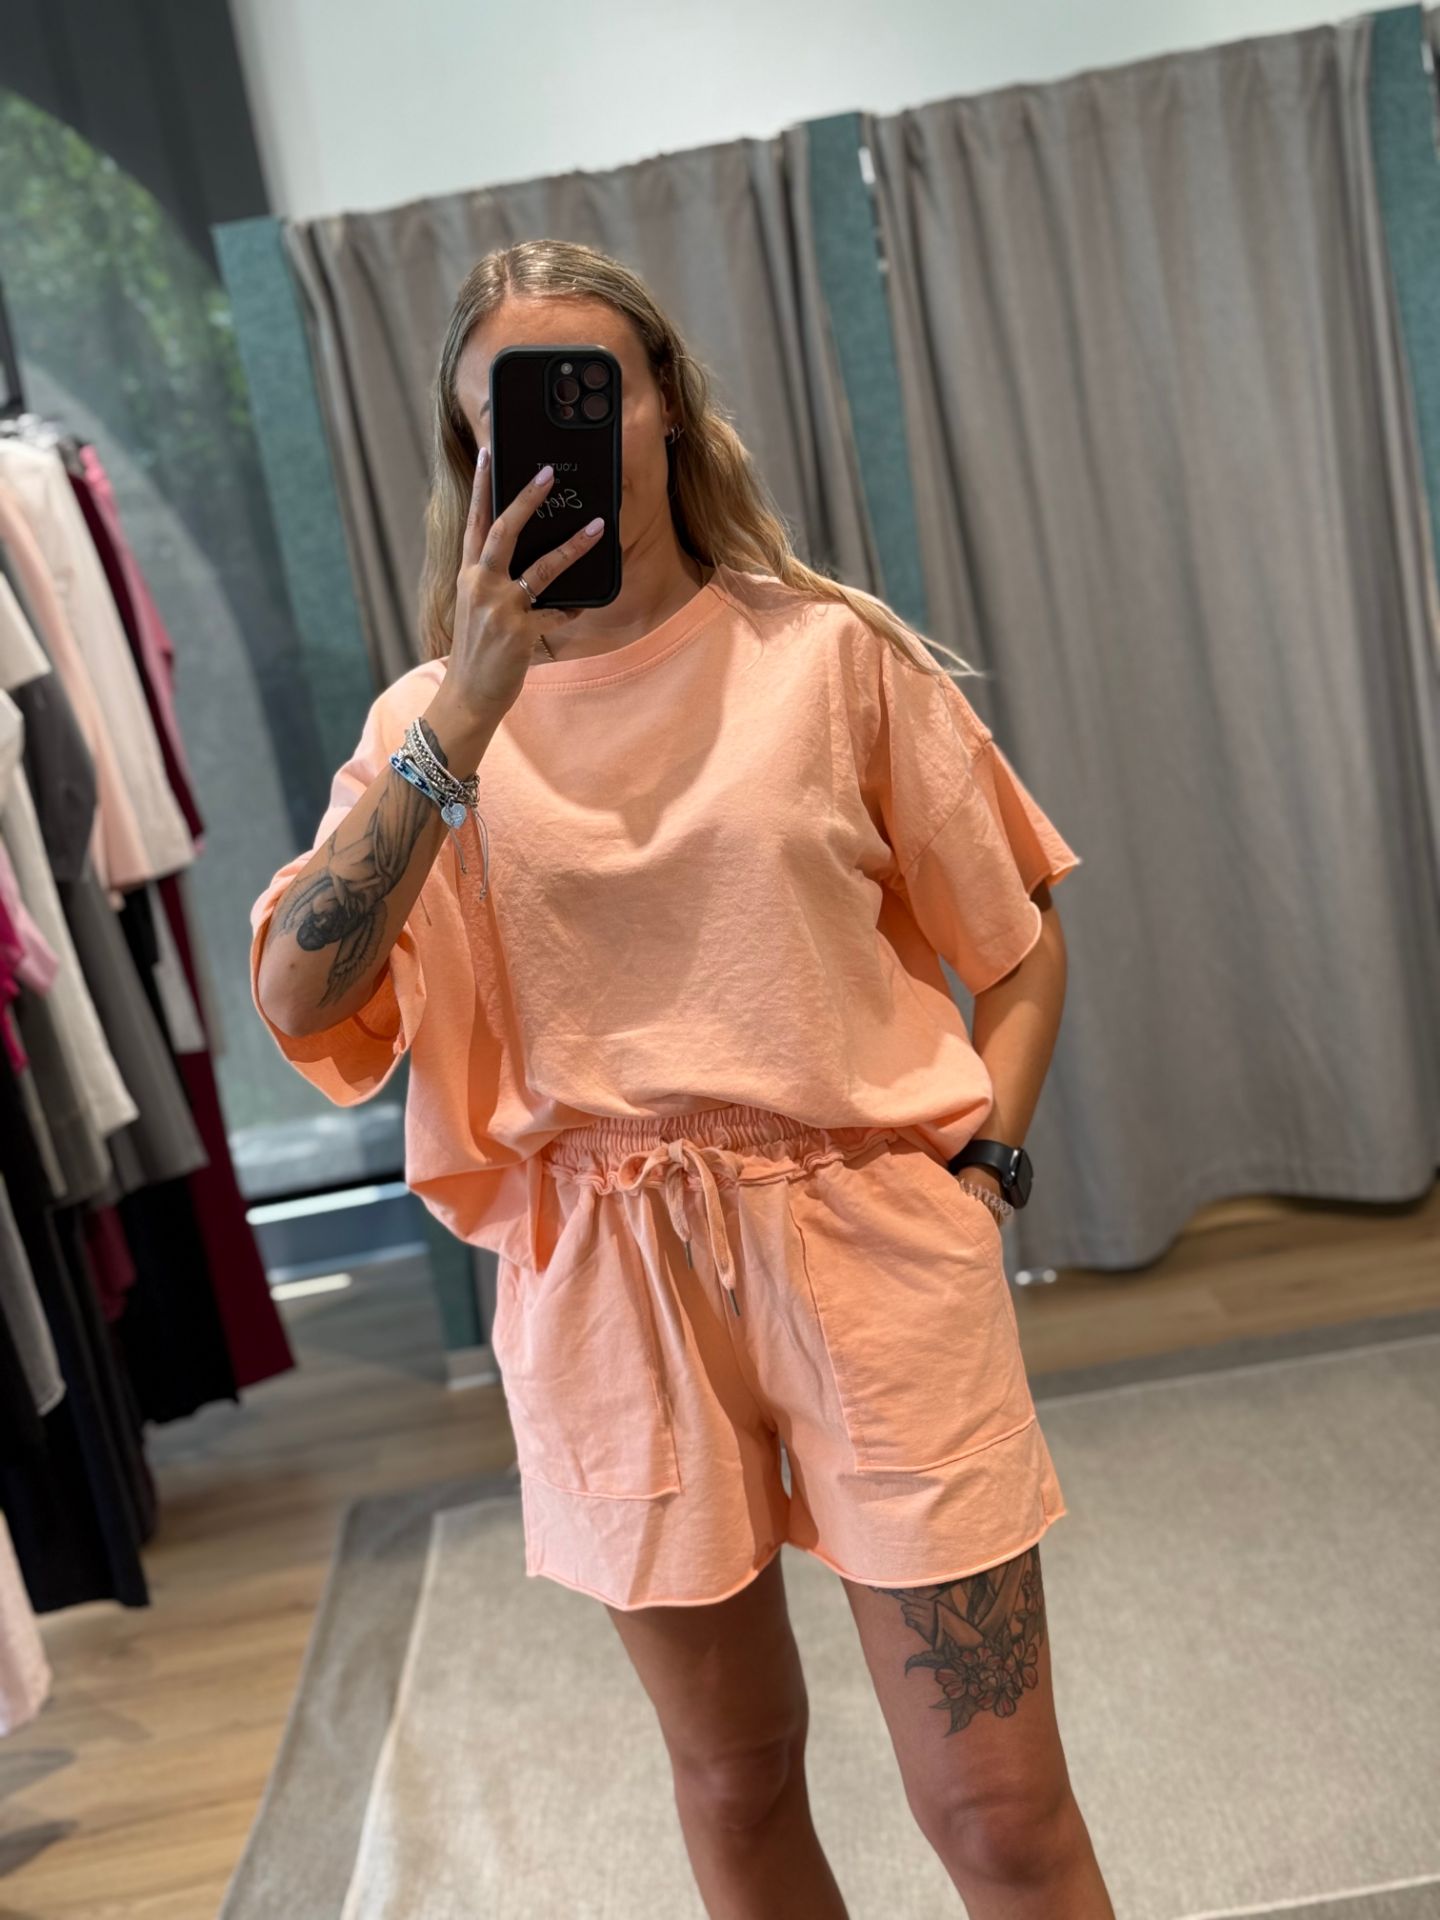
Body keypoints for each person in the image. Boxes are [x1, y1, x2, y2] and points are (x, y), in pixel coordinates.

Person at [250, 238, 1111, 1918]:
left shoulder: (828, 657)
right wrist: (465, 716)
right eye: (505, 410)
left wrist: (987, 1167)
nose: (552, 434)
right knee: (734, 1778)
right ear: (469, 451)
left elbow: (1017, 942)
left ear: (663, 406)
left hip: (871, 1247)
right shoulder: (428, 724)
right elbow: (300, 993)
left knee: (1001, 1813)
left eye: (589, 387)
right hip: (604, 1286)